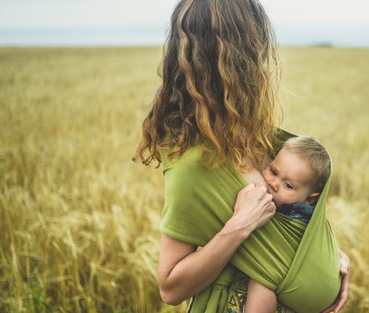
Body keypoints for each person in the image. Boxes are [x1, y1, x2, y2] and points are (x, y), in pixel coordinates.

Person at [134, 0, 350, 312]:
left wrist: (329, 259)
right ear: (241, 59)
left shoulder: (259, 136)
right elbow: (170, 287)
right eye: (258, 50)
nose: (264, 63)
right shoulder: (193, 165)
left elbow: (294, 222)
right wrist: (240, 225)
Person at [241, 136, 331, 312]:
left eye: (288, 185)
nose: (273, 184)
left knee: (263, 279)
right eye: (273, 172)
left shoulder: (298, 215)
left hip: (285, 274)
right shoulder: (284, 200)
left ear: (310, 199)